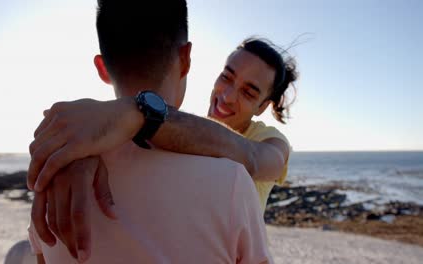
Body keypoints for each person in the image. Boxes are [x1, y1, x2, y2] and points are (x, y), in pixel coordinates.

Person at [28, 0, 272, 263]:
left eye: (248, 91)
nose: (229, 95)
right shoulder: (232, 183)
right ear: (185, 58)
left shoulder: (56, 181)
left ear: (102, 68)